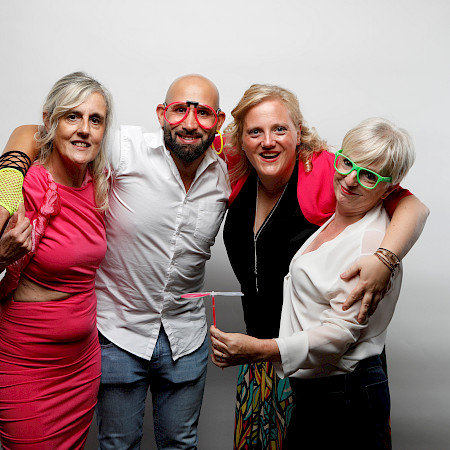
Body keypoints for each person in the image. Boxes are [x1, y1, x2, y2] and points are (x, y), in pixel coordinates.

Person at [0, 74, 230, 449]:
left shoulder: (228, 172)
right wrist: (8, 180)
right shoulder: (124, 149)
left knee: (182, 443)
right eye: (179, 110)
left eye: (203, 112)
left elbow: (275, 151)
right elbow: (35, 132)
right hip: (117, 335)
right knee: (117, 445)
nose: (190, 123)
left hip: (183, 339)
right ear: (162, 114)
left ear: (218, 121)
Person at [210, 85, 428, 449]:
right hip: (257, 357)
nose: (267, 140)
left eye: (280, 129)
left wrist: (385, 258)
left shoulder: (329, 169)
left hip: (313, 359)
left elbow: (411, 205)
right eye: (255, 131)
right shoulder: (236, 170)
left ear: (299, 132)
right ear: (240, 138)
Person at [0, 71, 113, 449]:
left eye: (95, 120)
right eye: (72, 116)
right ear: (50, 121)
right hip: (26, 364)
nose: (84, 129)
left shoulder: (99, 183)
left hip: (81, 365)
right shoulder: (24, 184)